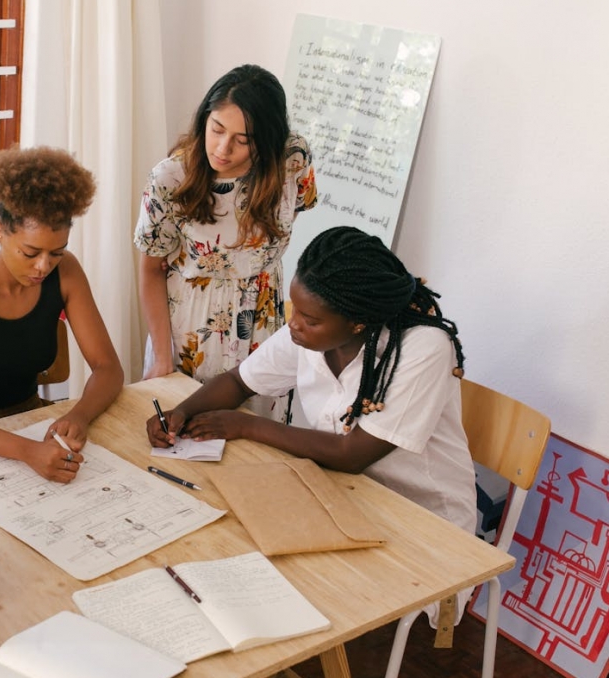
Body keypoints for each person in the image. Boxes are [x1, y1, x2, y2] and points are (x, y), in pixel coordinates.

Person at [147, 225, 476, 625]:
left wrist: (246, 426)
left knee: (280, 582)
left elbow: (352, 454)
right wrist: (180, 413)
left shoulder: (422, 349)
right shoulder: (309, 334)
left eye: (310, 319)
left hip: (420, 519)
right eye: (294, 310)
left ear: (356, 322)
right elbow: (238, 381)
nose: (295, 324)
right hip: (343, 493)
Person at [0, 146, 124, 483]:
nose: (43, 266)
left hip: (28, 421)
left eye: (56, 253)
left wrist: (80, 415)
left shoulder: (66, 272)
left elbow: (108, 368)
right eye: (30, 253)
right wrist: (28, 452)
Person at [135, 64, 317, 401]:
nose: (222, 148)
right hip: (191, 330)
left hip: (264, 325)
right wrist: (163, 357)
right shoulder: (171, 178)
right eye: (216, 129)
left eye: (242, 140)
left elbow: (291, 215)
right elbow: (149, 270)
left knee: (258, 445)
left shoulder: (293, 161)